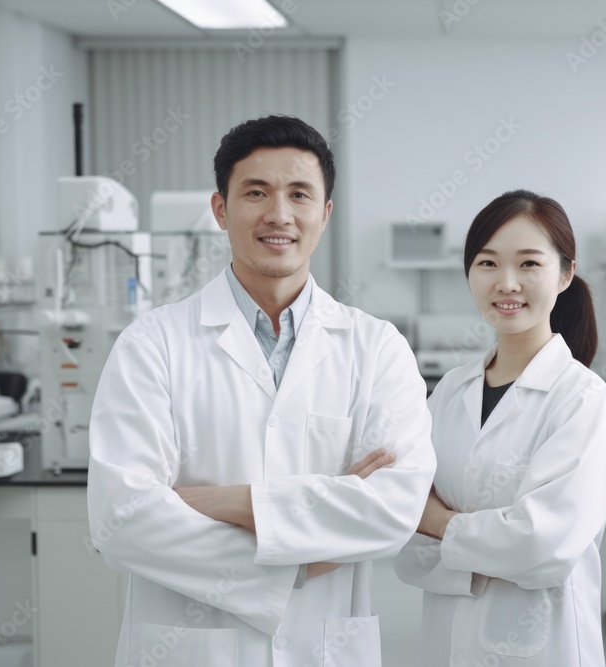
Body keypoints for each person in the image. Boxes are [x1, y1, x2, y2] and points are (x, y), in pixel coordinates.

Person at [88, 115, 436, 667]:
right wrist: (298, 559)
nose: (279, 214)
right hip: (189, 647)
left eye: (300, 194)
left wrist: (212, 501)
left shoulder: (376, 348)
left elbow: (393, 511)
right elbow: (122, 520)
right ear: (221, 209)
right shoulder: (152, 343)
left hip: (322, 647)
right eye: (256, 192)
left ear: (324, 213)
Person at [394, 189, 606, 667]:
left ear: (565, 274)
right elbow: (405, 542)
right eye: (488, 263)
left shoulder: (580, 400)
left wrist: (438, 522)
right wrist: (487, 549)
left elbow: (543, 547)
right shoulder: (450, 392)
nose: (507, 283)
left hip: (543, 648)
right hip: (448, 640)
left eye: (529, 264)